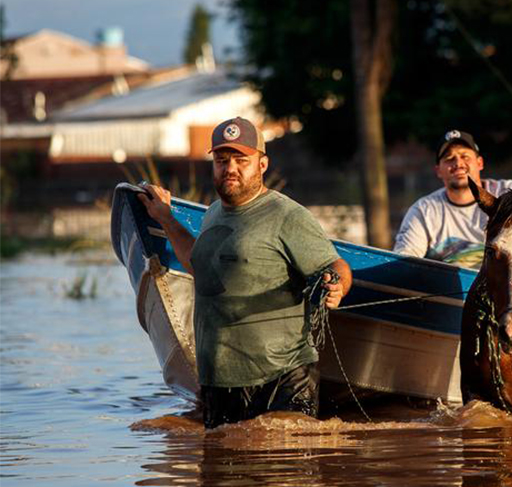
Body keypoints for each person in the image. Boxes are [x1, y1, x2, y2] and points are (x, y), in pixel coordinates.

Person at [138, 117, 352, 428]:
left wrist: (337, 286)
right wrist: (166, 219)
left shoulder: (287, 215)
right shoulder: (211, 213)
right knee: (220, 468)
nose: (231, 168)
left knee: (282, 467)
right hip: (219, 382)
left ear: (262, 164)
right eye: (222, 160)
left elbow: (335, 266)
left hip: (282, 378)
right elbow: (199, 267)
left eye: (241, 160)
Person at [393, 129, 512, 268]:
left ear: (479, 163)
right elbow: (405, 259)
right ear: (438, 171)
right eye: (449, 159)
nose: (458, 163)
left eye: (465, 156)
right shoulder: (424, 211)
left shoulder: (510, 192)